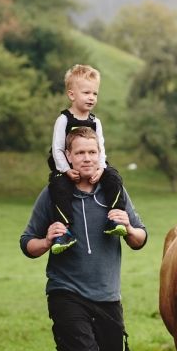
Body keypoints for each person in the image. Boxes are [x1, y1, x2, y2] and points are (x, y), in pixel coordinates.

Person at [20, 126, 147, 351]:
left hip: (108, 296)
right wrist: (47, 239)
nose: (87, 158)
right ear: (68, 157)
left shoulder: (113, 191)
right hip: (66, 294)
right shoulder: (53, 194)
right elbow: (27, 242)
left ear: (100, 154)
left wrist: (128, 226)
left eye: (92, 152)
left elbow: (140, 238)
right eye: (80, 153)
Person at [48, 64, 128, 254]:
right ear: (72, 95)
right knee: (59, 187)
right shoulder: (64, 120)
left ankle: (115, 217)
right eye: (86, 93)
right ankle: (64, 231)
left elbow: (101, 148)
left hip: (94, 165)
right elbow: (57, 149)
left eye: (95, 93)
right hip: (65, 167)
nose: (91, 97)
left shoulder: (95, 121)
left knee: (114, 177)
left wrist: (101, 168)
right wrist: (66, 170)